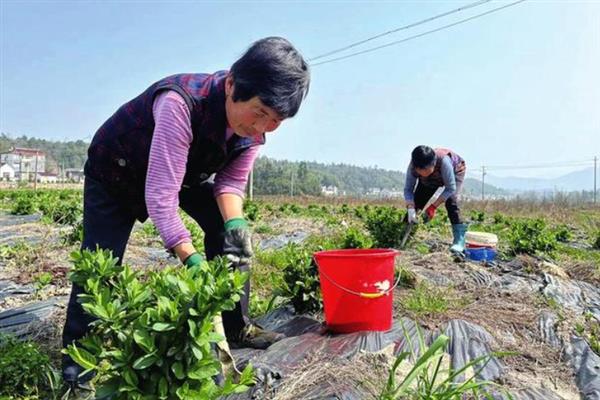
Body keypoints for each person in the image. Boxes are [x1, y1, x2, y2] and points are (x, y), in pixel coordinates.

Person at [61, 36, 310, 387]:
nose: (261, 128)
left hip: (182, 175)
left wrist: (237, 224)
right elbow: (160, 196)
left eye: (275, 121)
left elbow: (229, 185)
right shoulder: (179, 104)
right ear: (231, 85)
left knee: (227, 233)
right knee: (99, 264)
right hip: (116, 169)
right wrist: (190, 258)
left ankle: (237, 328)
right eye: (259, 113)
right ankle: (76, 370)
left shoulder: (253, 133)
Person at [403, 146, 467, 254]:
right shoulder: (413, 167)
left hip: (456, 171)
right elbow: (408, 189)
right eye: (420, 171)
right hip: (431, 180)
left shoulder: (444, 162)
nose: (423, 173)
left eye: (426, 170)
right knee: (417, 200)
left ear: (433, 164)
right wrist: (410, 208)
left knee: (451, 201)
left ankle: (459, 240)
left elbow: (450, 188)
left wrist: (433, 206)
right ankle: (404, 235)